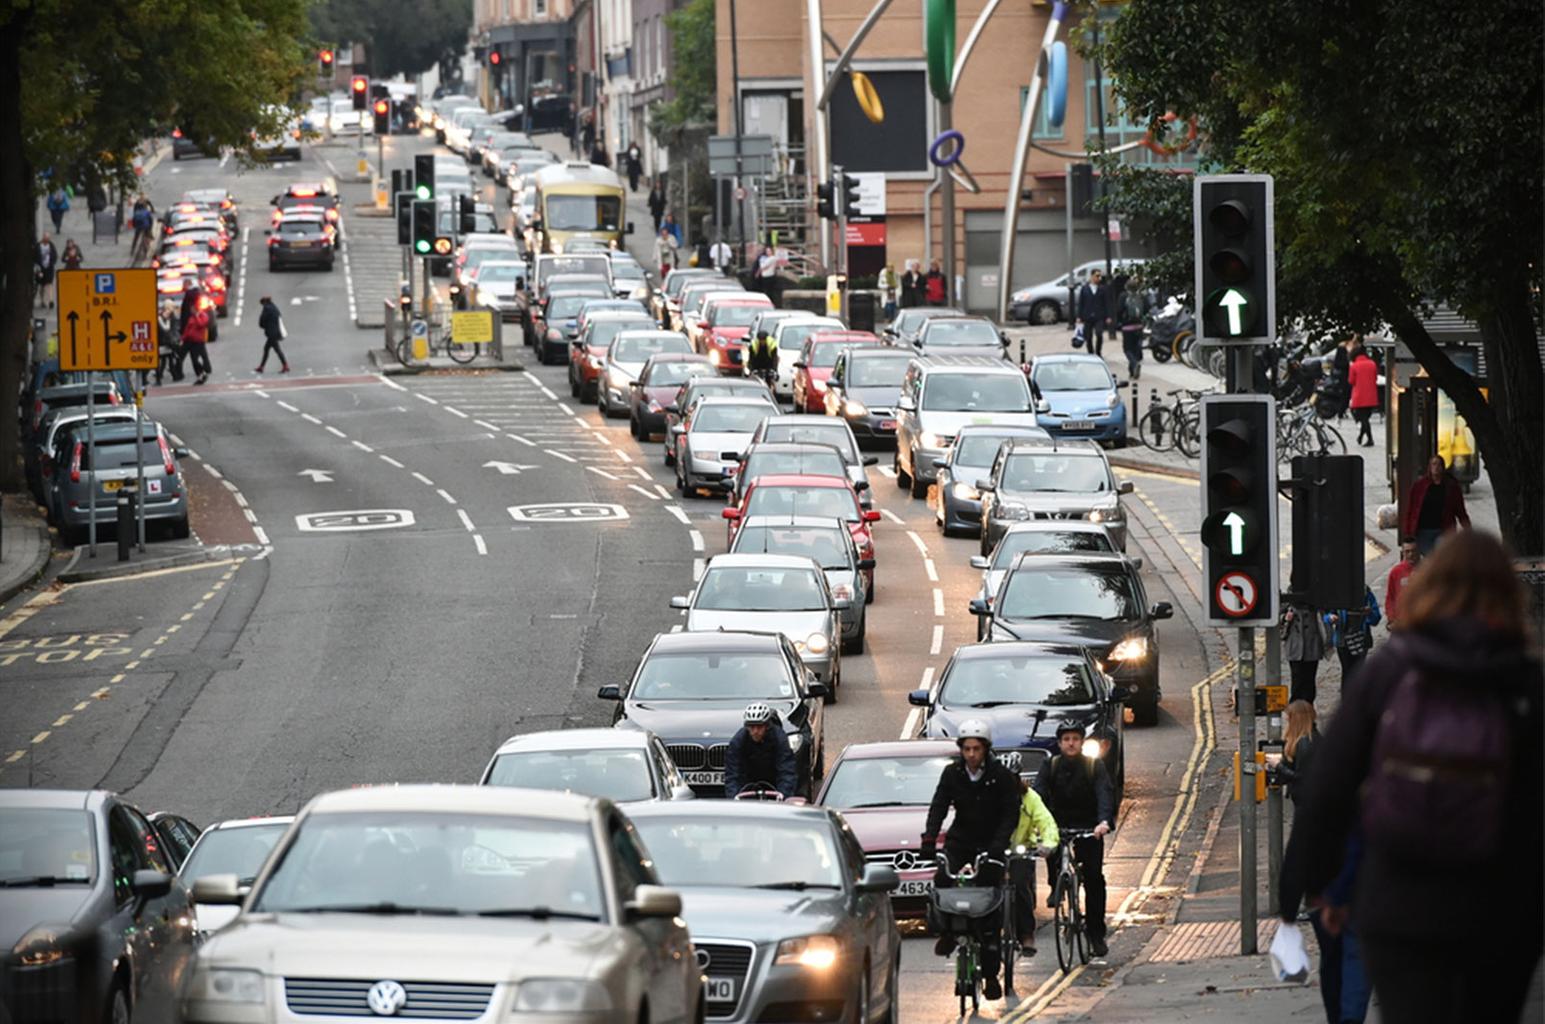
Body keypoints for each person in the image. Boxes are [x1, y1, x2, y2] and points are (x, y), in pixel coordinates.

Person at [1295, 531, 1542, 1023]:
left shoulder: (1390, 671)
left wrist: (1326, 889)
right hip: (1501, 909)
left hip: (1399, 903)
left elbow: (1327, 789)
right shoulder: (1527, 683)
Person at [921, 718, 1020, 1001]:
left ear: (985, 749)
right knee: (943, 878)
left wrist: (997, 848)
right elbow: (939, 804)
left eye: (976, 749)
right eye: (967, 749)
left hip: (991, 842)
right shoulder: (953, 774)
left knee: (988, 903)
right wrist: (929, 839)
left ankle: (990, 976)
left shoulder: (999, 776)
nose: (972, 755)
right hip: (961, 839)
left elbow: (1010, 813)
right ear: (961, 749)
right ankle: (949, 932)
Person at [1034, 720, 1115, 958]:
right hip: (1057, 825)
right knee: (1052, 851)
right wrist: (1039, 825)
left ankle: (1096, 933)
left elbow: (1104, 793)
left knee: (1094, 879)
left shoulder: (1094, 765)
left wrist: (1103, 822)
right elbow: (1038, 794)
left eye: (1075, 739)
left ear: (1081, 742)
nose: (1071, 743)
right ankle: (1055, 884)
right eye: (1066, 739)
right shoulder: (1051, 764)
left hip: (1089, 827)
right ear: (1059, 743)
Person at [1009, 777, 1059, 956]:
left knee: (1021, 885)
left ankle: (1026, 935)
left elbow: (1046, 821)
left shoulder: (1029, 797)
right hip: (995, 850)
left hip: (1021, 850)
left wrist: (1048, 843)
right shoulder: (988, 793)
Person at [722, 702, 797, 798]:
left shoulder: (779, 739)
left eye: (759, 727)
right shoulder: (738, 741)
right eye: (752, 727)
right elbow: (732, 775)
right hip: (747, 785)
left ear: (767, 726)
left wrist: (783, 795)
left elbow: (786, 771)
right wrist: (734, 797)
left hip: (773, 784)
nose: (755, 731)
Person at [1402, 454, 1469, 555]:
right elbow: (1411, 509)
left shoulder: (1451, 486)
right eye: (1434, 464)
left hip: (1443, 530)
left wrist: (1468, 528)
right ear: (1429, 467)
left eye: (1439, 465)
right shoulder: (1420, 486)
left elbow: (1460, 510)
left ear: (1443, 467)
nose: (1436, 467)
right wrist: (1408, 532)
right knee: (1430, 559)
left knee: (1441, 555)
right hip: (1424, 531)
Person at [1275, 699, 1319, 805]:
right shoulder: (1313, 738)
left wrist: (1278, 765)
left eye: (1289, 719)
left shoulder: (1304, 743)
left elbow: (1301, 777)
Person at [1282, 601, 1326, 705]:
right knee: (1297, 681)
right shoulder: (1288, 599)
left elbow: (1325, 615)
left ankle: (1307, 713)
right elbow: (1276, 615)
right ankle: (1296, 714)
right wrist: (1285, 618)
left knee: (1309, 683)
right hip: (1295, 647)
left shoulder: (1315, 598)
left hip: (1312, 646)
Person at [1116, 278, 1149, 380]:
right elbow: (1147, 308)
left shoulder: (1123, 296)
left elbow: (1119, 310)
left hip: (1127, 327)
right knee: (1135, 349)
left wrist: (1119, 321)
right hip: (1139, 326)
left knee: (1127, 349)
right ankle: (1132, 371)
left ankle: (1134, 364)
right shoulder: (1141, 296)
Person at [1383, 540, 1419, 629]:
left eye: (1413, 551)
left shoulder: (1427, 569)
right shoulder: (1396, 572)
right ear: (1402, 553)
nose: (1411, 554)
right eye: (1407, 551)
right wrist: (1391, 619)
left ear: (1418, 551)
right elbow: (1390, 597)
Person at [1348, 344, 1379, 446]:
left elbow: (1351, 381)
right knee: (1366, 418)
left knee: (1363, 419)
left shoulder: (1354, 366)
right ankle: (1361, 436)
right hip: (1371, 396)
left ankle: (1370, 439)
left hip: (1359, 396)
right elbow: (1375, 378)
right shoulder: (1372, 364)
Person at [181, 289, 212, 385]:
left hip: (198, 341)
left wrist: (196, 315)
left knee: (197, 358)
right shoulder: (191, 318)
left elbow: (201, 325)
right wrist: (183, 338)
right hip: (190, 341)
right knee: (193, 360)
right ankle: (201, 375)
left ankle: (203, 372)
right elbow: (187, 329)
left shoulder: (203, 316)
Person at [1076, 271, 1110, 357]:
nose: (1099, 278)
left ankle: (1098, 351)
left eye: (1100, 276)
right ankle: (1090, 352)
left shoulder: (1102, 289)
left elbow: (1106, 303)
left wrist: (1108, 316)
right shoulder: (1085, 289)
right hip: (1087, 316)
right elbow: (1081, 303)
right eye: (1097, 276)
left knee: (1099, 333)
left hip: (1099, 315)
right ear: (1091, 277)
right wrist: (1079, 316)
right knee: (1088, 336)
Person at [255, 296, 290, 374]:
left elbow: (262, 320)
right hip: (276, 332)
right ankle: (262, 367)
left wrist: (263, 325)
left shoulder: (266, 308)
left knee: (274, 349)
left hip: (271, 333)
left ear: (263, 302)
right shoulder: (274, 307)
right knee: (268, 349)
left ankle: (285, 365)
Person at [155, 301, 183, 385]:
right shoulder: (161, 318)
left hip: (166, 342)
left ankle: (161, 378)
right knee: (164, 360)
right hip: (164, 342)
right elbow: (165, 329)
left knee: (166, 360)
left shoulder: (170, 317)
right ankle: (162, 377)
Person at [745, 321, 778, 385]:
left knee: (769, 380)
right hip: (757, 365)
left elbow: (774, 358)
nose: (762, 342)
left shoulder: (771, 345)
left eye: (763, 340)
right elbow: (751, 358)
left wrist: (774, 370)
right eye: (760, 340)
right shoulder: (754, 345)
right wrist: (750, 369)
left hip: (768, 364)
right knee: (755, 380)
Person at [34, 233, 58, 308]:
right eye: (46, 237)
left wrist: (52, 263)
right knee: (41, 285)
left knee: (49, 284)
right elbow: (35, 256)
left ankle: (50, 300)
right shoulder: (38, 246)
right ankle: (42, 300)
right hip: (40, 268)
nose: (47, 239)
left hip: (49, 268)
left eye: (48, 238)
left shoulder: (51, 246)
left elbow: (55, 255)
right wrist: (37, 266)